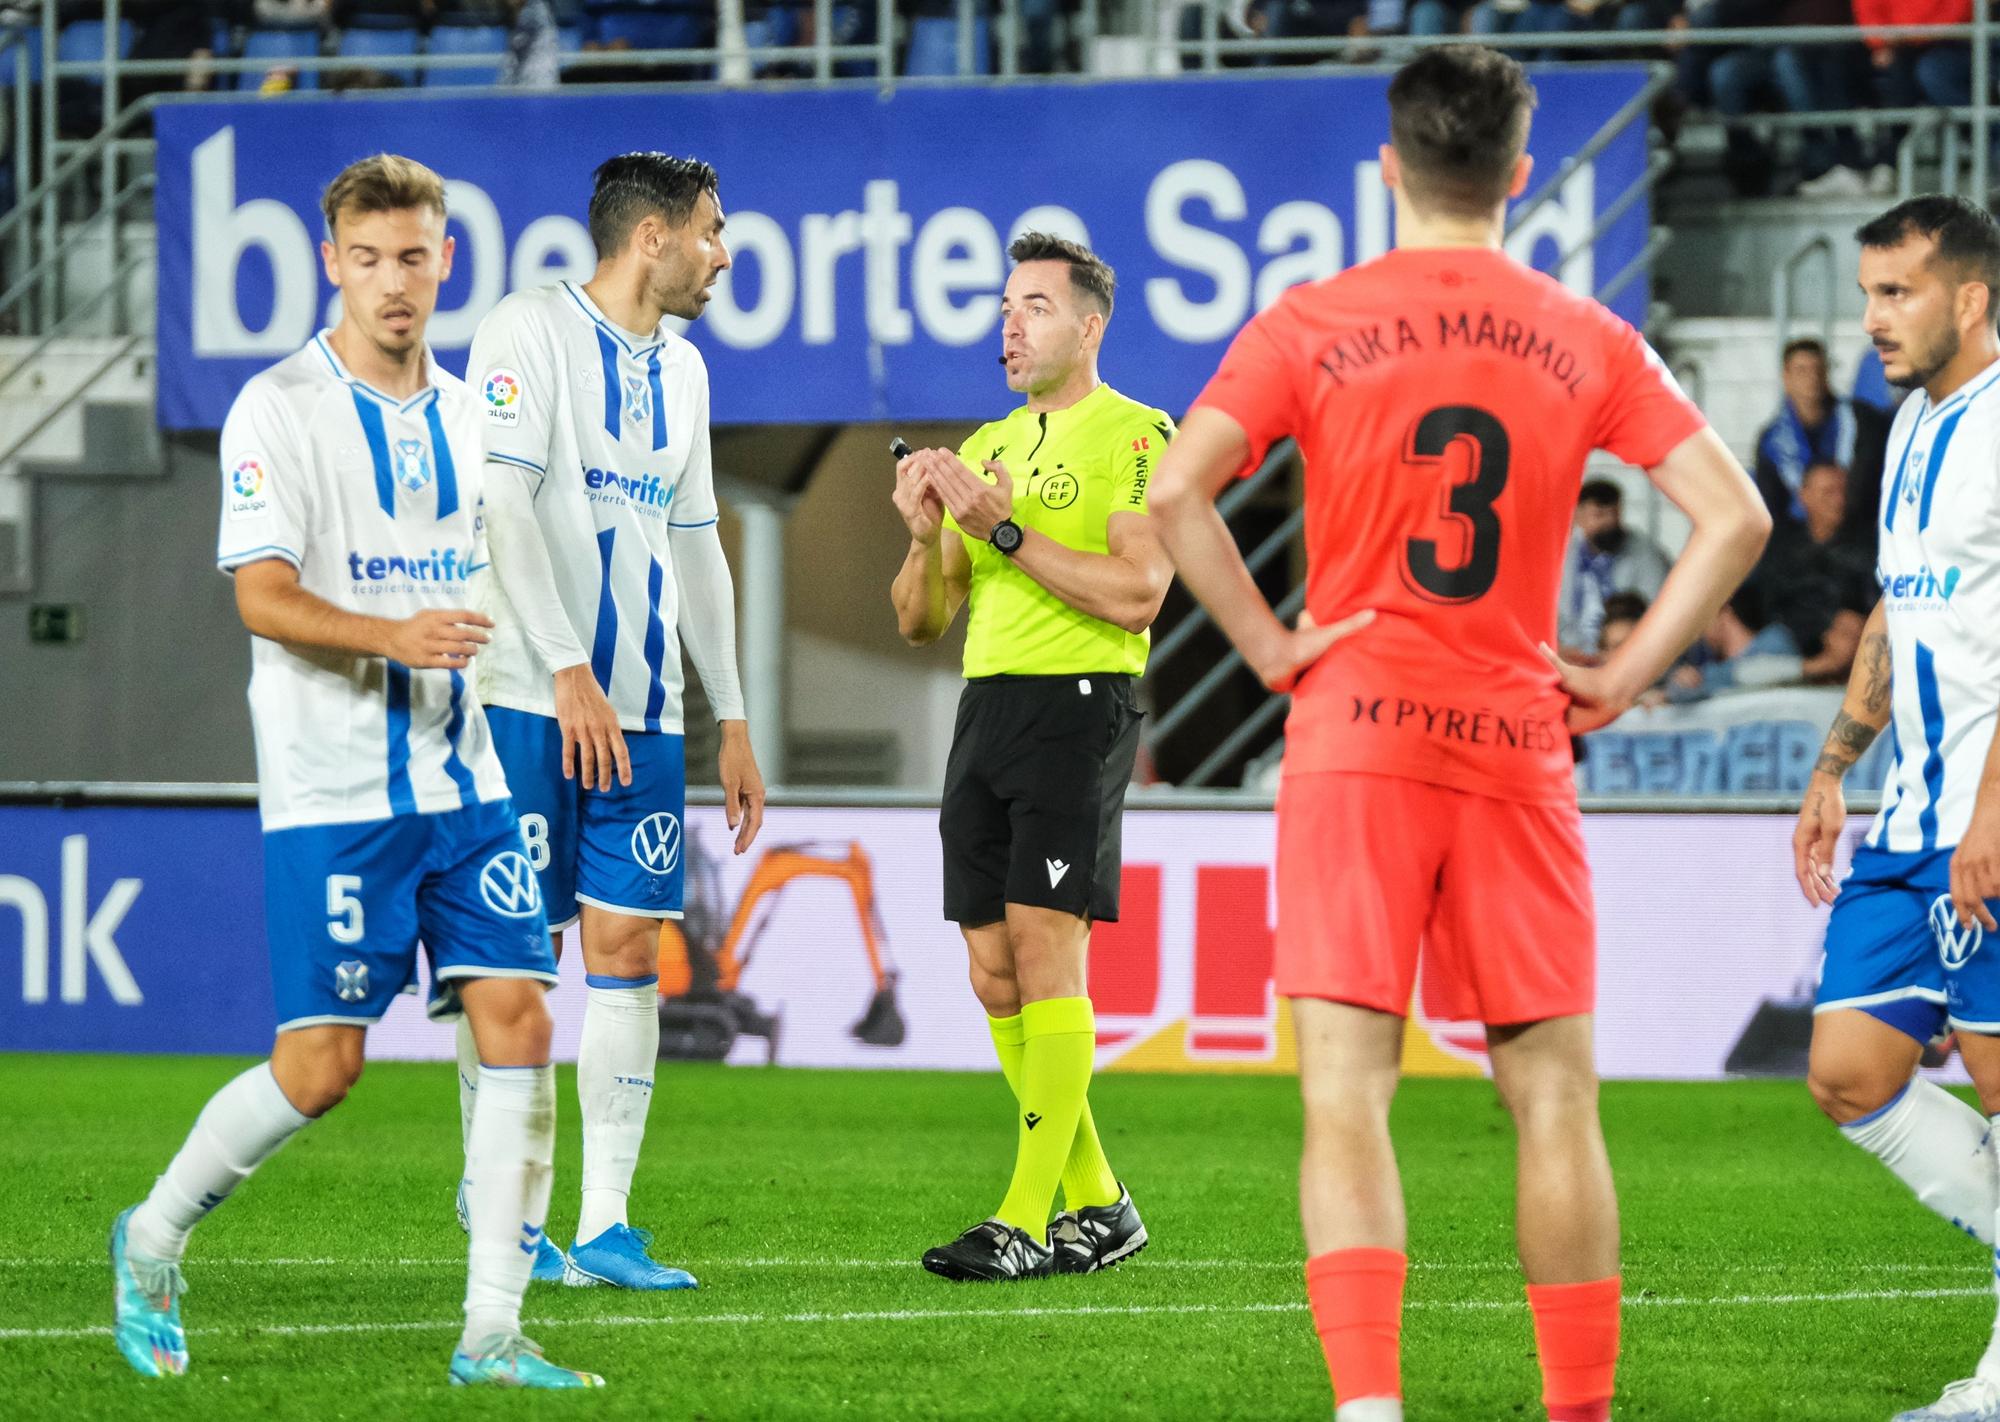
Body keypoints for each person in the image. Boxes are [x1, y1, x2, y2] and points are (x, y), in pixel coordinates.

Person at [1147, 45, 1769, 1422]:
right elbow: (1735, 518)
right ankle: (1578, 1412)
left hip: (1354, 732)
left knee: (1347, 1097)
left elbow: (1175, 493)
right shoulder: (1584, 332)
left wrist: (1269, 648)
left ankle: (1374, 1409)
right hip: (1514, 739)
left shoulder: (1311, 320)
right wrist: (1619, 670)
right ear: (1520, 178)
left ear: (1391, 171)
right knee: (1552, 1097)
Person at [107, 155, 600, 1390]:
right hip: (334, 793)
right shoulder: (277, 408)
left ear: (446, 261)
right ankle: (152, 1234)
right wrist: (396, 636)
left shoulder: (471, 411)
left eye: (415, 257)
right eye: (370, 258)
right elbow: (263, 599)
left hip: (465, 780)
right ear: (332, 262)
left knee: (520, 1020)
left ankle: (492, 1332)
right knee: (322, 1068)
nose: (395, 282)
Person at [464, 151, 766, 1291]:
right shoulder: (525, 331)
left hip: (640, 716)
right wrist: (559, 665)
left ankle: (604, 1225)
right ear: (652, 238)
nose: (724, 254)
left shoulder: (683, 373)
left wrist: (727, 715)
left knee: (630, 949)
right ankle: (502, 1200)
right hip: (530, 699)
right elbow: (499, 504)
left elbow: (695, 543)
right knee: (516, 955)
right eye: (713, 231)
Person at [889, 232, 1172, 1282]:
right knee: (989, 964)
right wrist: (925, 537)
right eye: (1005, 306)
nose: (1010, 324)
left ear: (1088, 326)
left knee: (1045, 950)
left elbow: (1138, 593)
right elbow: (920, 623)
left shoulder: (1137, 433)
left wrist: (1003, 534)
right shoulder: (988, 444)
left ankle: (1022, 1218)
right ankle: (1098, 1202)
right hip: (986, 709)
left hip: (1078, 705)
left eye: (1036, 306)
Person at [1791, 195, 2000, 1422]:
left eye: (1895, 293)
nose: (1869, 319)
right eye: (1866, 292)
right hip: (1909, 818)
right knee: (1846, 1071)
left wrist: (1990, 810)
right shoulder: (1913, 424)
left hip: (1986, 818)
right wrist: (1833, 766)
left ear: (1968, 298)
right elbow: (1895, 608)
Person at [1753, 337, 1889, 554]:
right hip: (1798, 550)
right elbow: (1772, 509)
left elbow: (1873, 490)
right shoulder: (1772, 441)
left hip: (1859, 543)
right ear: (1785, 377)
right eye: (1801, 371)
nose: (1812, 378)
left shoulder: (1862, 422)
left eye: (1818, 369)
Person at [1555, 479, 1671, 659]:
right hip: (1569, 656)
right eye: (1599, 515)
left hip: (1628, 657)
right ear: (1578, 517)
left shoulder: (1646, 556)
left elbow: (1661, 617)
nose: (1610, 521)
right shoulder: (1562, 556)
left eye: (1614, 513)